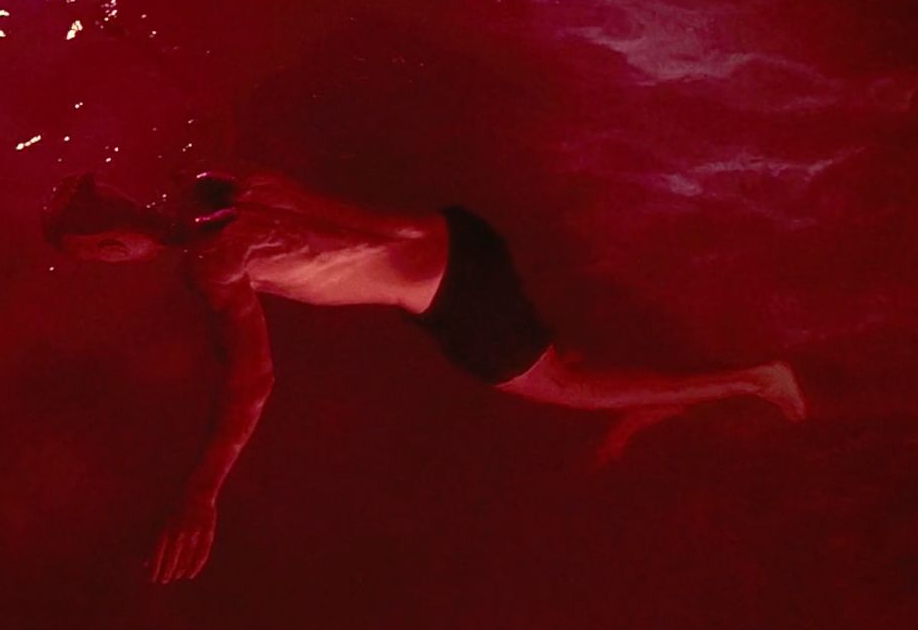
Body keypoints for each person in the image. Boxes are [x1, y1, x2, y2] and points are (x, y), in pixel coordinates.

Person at [43, 167, 807, 583]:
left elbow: (252, 381)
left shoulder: (210, 264)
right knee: (562, 365)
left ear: (116, 246)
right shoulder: (214, 187)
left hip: (450, 291)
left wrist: (200, 493)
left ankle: (751, 382)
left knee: (560, 383)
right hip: (453, 229)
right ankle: (657, 395)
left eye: (95, 260)